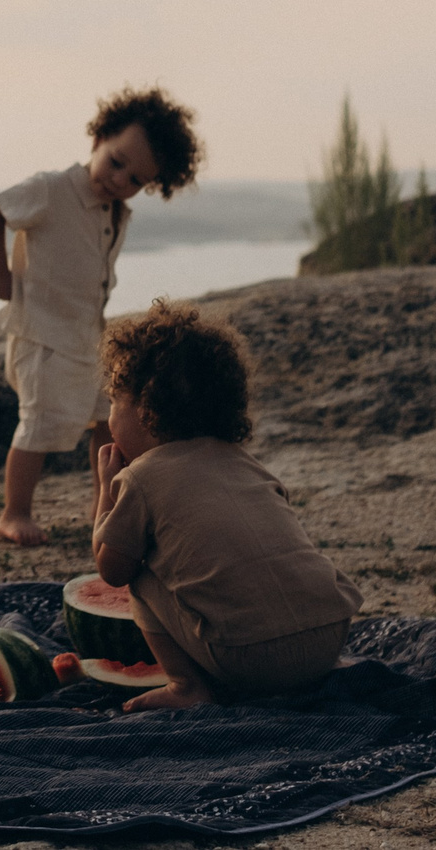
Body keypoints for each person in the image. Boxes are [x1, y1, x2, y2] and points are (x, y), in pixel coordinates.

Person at [91, 300, 363, 711]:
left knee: (140, 577)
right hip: (330, 638)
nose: (108, 415)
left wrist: (105, 489)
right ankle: (304, 666)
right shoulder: (245, 463)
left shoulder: (139, 477)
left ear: (145, 411)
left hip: (251, 661)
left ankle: (186, 686)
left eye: (114, 400)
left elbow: (111, 569)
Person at [0, 86, 202, 544]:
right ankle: (14, 512)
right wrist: (0, 275)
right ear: (100, 136)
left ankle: (104, 504)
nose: (121, 180)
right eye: (117, 161)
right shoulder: (51, 189)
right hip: (42, 335)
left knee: (109, 420)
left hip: (87, 336)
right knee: (38, 423)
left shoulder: (117, 212)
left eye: (137, 179)